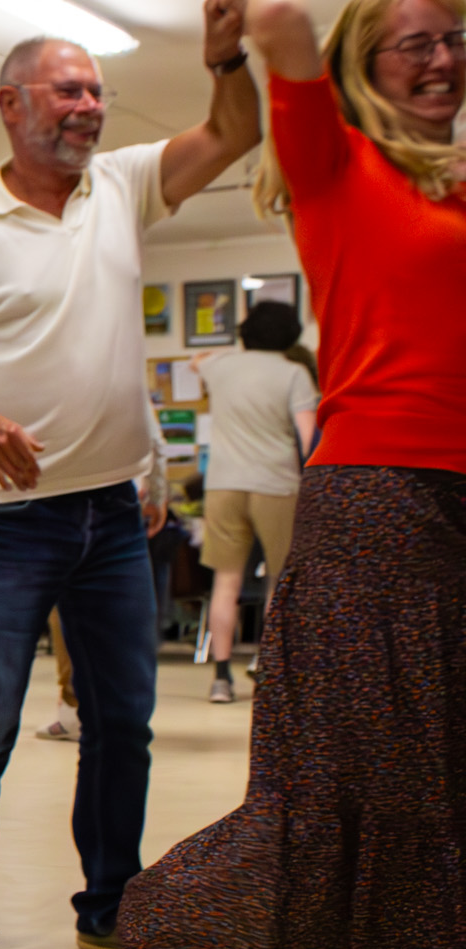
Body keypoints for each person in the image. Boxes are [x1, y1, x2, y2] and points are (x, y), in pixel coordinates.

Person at [120, 0, 466, 949]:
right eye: (415, 41)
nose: (443, 59)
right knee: (361, 771)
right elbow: (277, 6)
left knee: (436, 768)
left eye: (455, 39)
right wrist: (234, 19)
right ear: (363, 65)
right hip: (376, 499)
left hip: (451, 499)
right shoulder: (333, 162)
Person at [0, 0, 262, 949]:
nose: (90, 106)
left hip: (111, 512)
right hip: (8, 518)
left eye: (96, 91)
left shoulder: (122, 184)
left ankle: (110, 905)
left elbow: (236, 131)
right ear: (11, 104)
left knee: (122, 724)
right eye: (69, 90)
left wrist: (225, 58)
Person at [189, 298, 317, 702]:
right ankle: (268, 668)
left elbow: (196, 361)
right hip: (277, 484)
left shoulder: (221, 366)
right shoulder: (294, 373)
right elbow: (309, 439)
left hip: (223, 484)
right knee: (279, 582)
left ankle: (220, 679)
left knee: (225, 581)